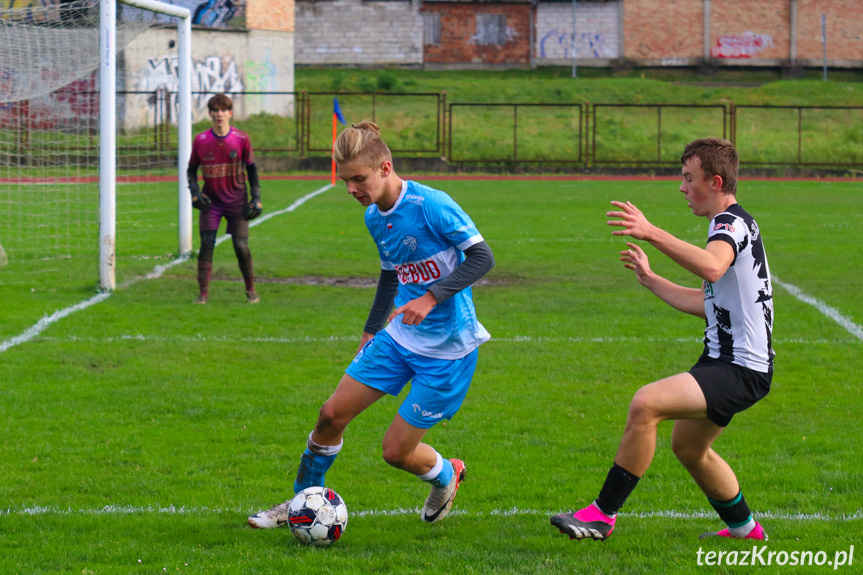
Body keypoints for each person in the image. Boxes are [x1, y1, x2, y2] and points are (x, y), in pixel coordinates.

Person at [248, 121, 494, 528]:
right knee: (330, 416)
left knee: (395, 452)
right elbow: (390, 275)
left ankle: (448, 475)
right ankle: (299, 503)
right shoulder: (374, 218)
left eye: (358, 179)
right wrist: (370, 330)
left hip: (449, 350)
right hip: (397, 338)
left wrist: (431, 298)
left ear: (385, 167)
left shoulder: (431, 205)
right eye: (345, 181)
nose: (351, 189)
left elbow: (483, 258)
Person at [551, 138, 774, 541]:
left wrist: (651, 231)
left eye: (689, 178)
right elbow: (710, 304)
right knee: (690, 448)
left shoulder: (731, 224)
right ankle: (745, 530)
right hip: (725, 362)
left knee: (646, 403)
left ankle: (601, 516)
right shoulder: (728, 225)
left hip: (741, 368)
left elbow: (710, 267)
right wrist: (651, 280)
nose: (682, 187)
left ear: (716, 181)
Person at [187, 93, 263, 304]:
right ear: (210, 113)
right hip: (211, 203)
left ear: (230, 113)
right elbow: (191, 169)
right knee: (207, 245)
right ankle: (202, 295)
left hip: (237, 202)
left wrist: (256, 197)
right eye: (215, 110)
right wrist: (194, 192)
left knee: (241, 246)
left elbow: (252, 169)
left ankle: (251, 291)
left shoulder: (241, 138)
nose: (219, 114)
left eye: (223, 110)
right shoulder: (201, 140)